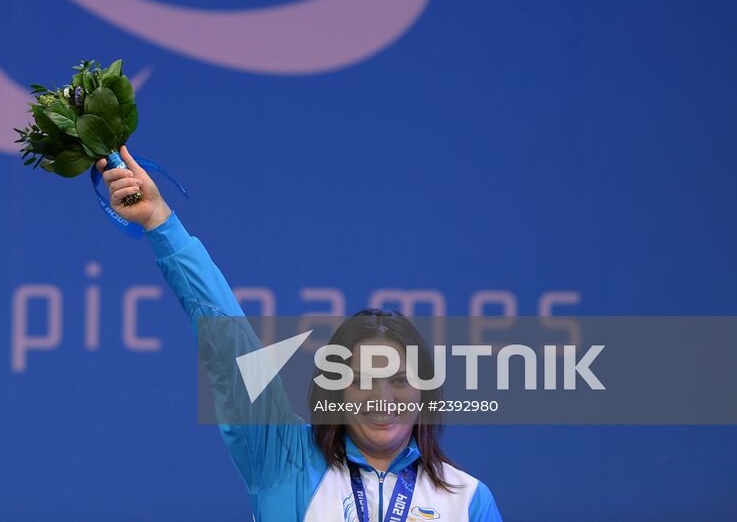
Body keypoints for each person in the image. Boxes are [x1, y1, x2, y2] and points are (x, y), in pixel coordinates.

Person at [97, 146, 502, 522]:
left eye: (399, 379)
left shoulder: (468, 501)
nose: (383, 397)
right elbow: (227, 339)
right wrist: (159, 222)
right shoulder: (283, 459)